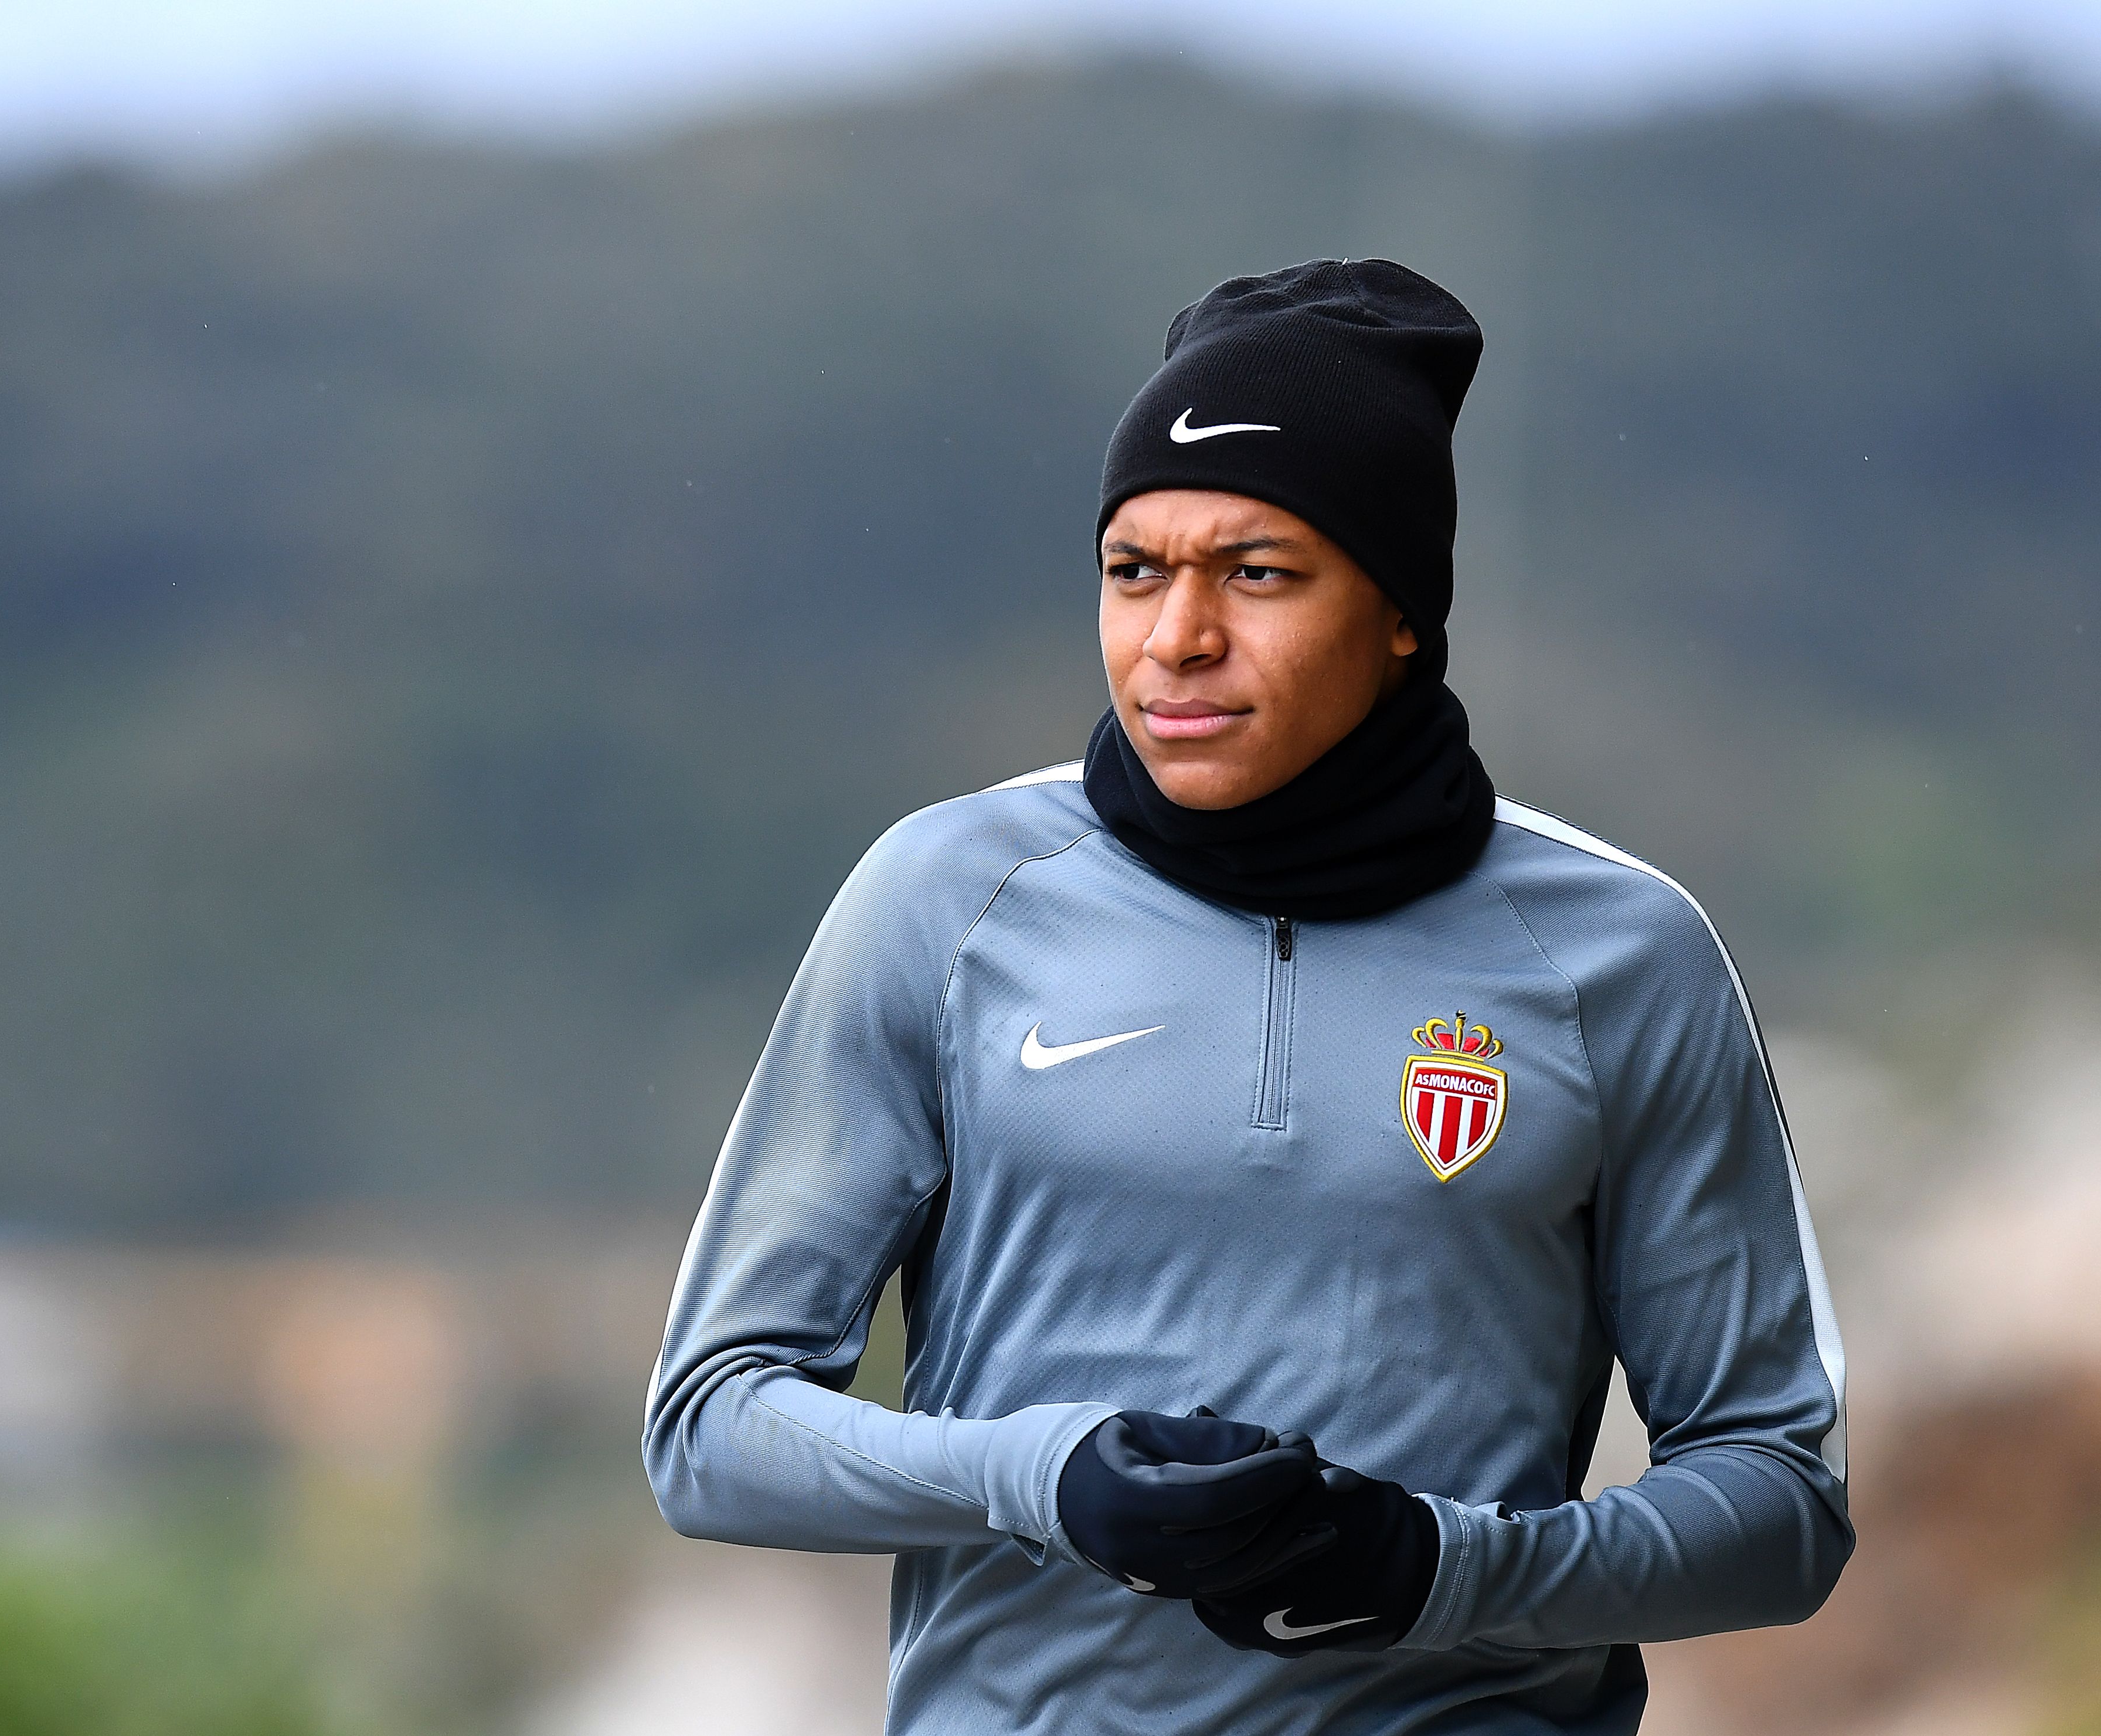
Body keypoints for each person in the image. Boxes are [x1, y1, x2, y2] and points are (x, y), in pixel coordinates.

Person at [644, 259, 1850, 1733]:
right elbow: (708, 1426)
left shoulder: (1621, 950)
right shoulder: (946, 899)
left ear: (1401, 610)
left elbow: (1783, 1500)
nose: (1176, 639)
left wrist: (1440, 1569)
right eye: (1134, 569)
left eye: (1258, 572)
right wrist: (1049, 1474)